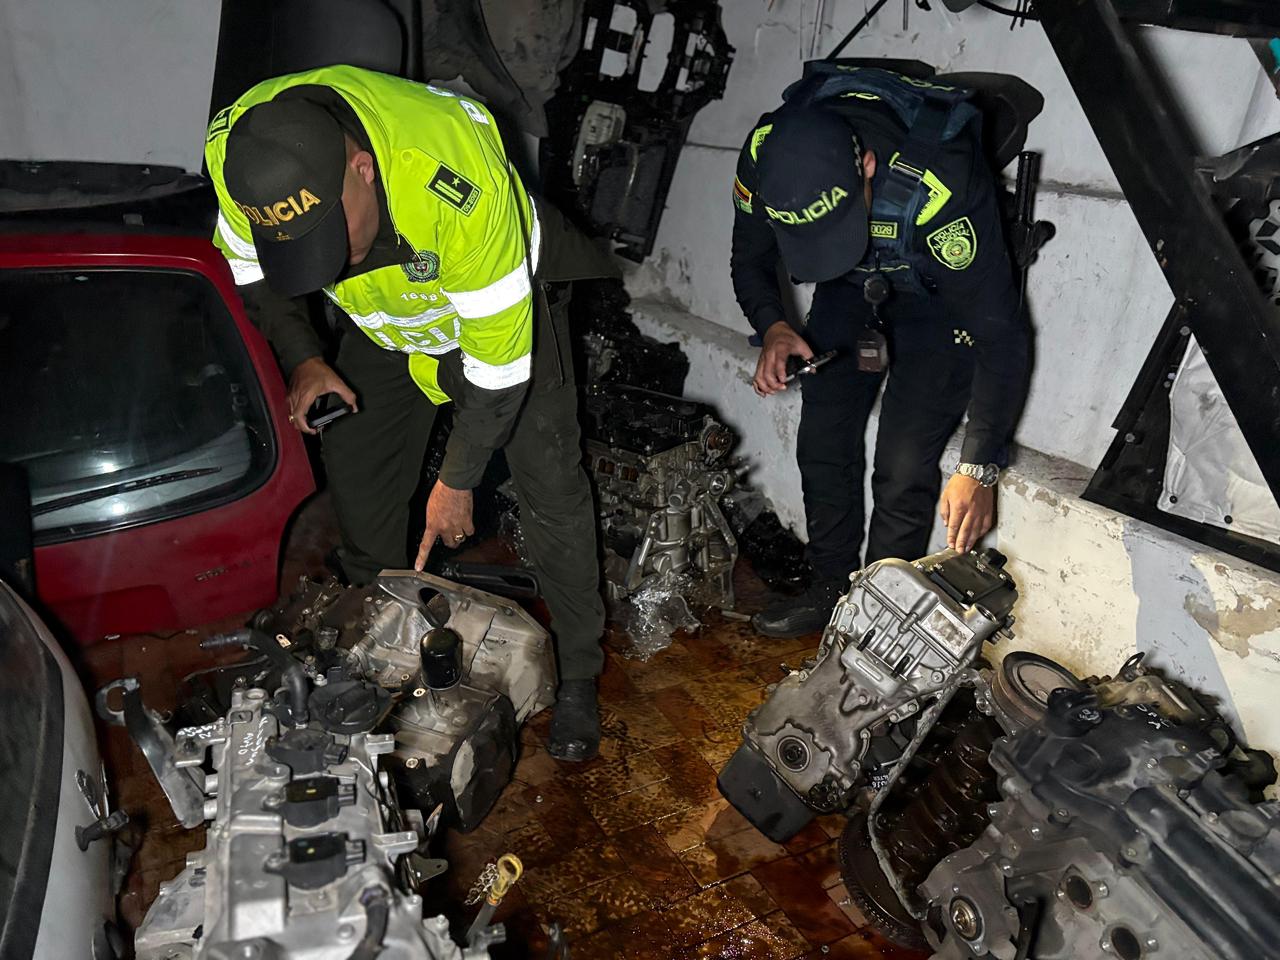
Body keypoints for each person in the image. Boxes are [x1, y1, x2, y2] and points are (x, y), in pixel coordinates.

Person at [205, 64, 609, 761]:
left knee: (552, 489)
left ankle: (579, 674)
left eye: (334, 236)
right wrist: (305, 357)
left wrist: (456, 482)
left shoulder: (450, 173)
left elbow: (498, 368)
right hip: (388, 326)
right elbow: (252, 277)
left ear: (362, 167)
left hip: (497, 312)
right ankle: (373, 625)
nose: (329, 264)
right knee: (357, 461)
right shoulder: (237, 157)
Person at [730, 65, 1029, 638]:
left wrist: (979, 467)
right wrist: (772, 326)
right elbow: (749, 259)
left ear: (865, 167)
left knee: (902, 467)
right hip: (848, 293)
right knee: (822, 440)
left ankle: (878, 623)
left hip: (936, 303)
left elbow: (1001, 335)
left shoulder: (942, 185)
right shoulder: (765, 156)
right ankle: (831, 592)